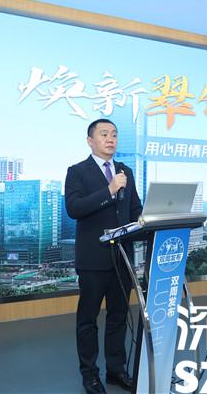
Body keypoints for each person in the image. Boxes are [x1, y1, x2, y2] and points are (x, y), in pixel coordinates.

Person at [65, 119, 143, 394]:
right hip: (93, 260)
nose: (111, 139)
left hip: (122, 257)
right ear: (90, 141)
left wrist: (147, 220)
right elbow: (74, 208)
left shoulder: (125, 171)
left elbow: (134, 209)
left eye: (114, 134)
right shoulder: (77, 172)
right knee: (88, 320)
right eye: (104, 134)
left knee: (118, 316)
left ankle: (116, 370)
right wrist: (109, 190)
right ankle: (90, 375)